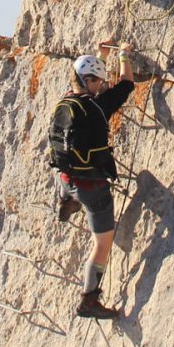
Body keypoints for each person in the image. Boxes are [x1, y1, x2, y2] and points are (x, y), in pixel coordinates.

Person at [49, 46, 136, 320]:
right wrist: (124, 55)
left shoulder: (65, 101)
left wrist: (99, 55)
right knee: (103, 243)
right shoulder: (98, 106)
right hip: (92, 188)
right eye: (98, 80)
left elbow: (89, 79)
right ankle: (89, 299)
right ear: (88, 81)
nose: (103, 85)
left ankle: (67, 200)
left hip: (65, 177)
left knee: (69, 180)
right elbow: (127, 83)